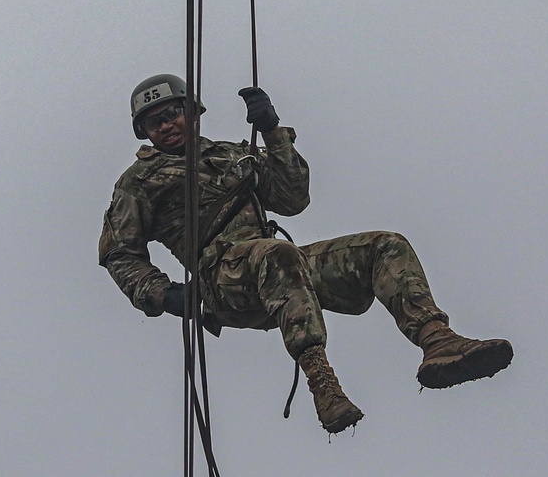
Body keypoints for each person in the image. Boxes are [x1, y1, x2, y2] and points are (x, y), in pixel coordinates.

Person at [99, 74, 513, 435]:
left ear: (192, 112)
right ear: (145, 132)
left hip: (280, 271)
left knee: (385, 245)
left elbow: (292, 198)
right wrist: (164, 295)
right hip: (221, 278)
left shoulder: (230, 154)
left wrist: (273, 132)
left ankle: (436, 340)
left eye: (174, 114)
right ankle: (322, 384)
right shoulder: (138, 182)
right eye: (156, 121)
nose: (167, 125)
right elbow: (120, 252)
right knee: (277, 254)